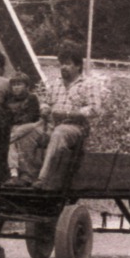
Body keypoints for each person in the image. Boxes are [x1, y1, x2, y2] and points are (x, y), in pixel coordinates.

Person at [29, 47, 101, 191]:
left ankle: (44, 179)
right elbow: (45, 101)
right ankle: (26, 176)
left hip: (76, 128)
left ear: (78, 66)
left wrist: (68, 114)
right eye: (61, 64)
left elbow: (94, 109)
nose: (63, 67)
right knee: (26, 132)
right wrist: (44, 108)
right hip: (52, 125)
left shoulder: (88, 85)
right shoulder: (55, 84)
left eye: (67, 64)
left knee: (59, 133)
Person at [3, 73, 45, 179]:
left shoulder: (32, 98)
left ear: (26, 86)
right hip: (15, 128)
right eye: (14, 85)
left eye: (19, 84)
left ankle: (16, 171)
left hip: (31, 126)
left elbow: (32, 116)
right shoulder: (9, 100)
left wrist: (16, 124)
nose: (16, 87)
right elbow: (7, 117)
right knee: (11, 141)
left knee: (11, 137)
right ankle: (14, 172)